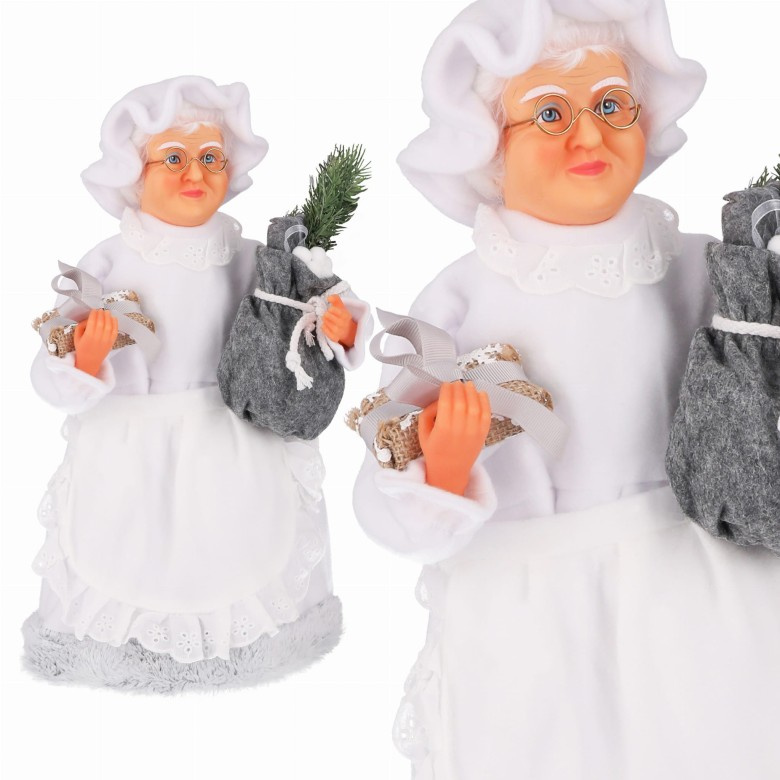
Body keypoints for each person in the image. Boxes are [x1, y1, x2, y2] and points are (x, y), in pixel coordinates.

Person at [353, 1, 780, 777]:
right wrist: (442, 470)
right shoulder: (465, 295)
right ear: (488, 141)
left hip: (701, 588)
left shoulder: (702, 269)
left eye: (613, 105)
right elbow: (386, 476)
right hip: (530, 599)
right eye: (550, 114)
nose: (590, 136)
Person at [25, 75, 370, 692]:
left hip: (236, 439)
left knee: (241, 544)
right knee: (127, 546)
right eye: (174, 158)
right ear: (134, 171)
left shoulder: (253, 259)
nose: (195, 173)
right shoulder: (109, 260)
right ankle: (121, 648)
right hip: (131, 443)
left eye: (211, 157)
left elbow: (302, 314)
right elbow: (51, 361)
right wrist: (84, 359)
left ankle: (255, 644)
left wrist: (337, 326)